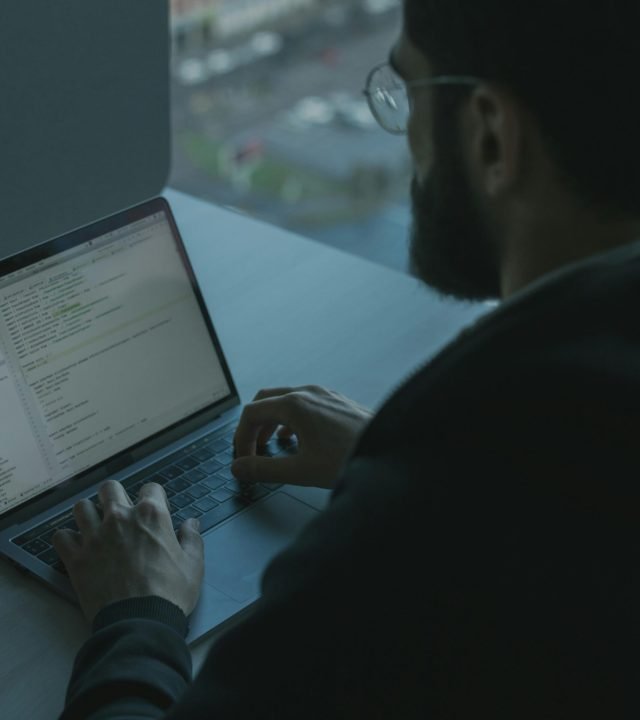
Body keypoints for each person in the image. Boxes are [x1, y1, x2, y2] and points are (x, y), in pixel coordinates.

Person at [54, 1, 640, 717]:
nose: (406, 140)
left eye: (408, 92)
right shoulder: (567, 436)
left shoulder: (428, 510)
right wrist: (390, 455)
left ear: (492, 136)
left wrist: (136, 616)